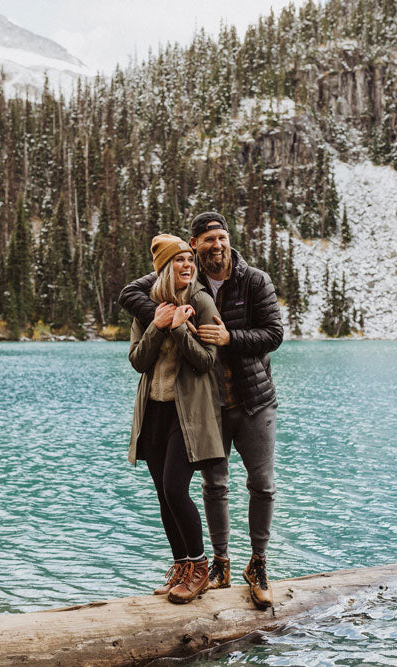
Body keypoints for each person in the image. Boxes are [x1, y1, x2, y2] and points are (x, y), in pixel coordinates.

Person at [119, 212, 283, 610]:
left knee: (261, 484)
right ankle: (217, 566)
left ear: (229, 240)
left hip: (251, 399)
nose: (216, 245)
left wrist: (229, 336)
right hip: (207, 407)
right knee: (213, 487)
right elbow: (129, 294)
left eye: (221, 237)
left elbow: (274, 334)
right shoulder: (177, 279)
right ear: (193, 245)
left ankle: (257, 563)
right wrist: (161, 319)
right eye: (207, 240)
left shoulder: (253, 280)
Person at [127, 233, 226, 605]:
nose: (188, 265)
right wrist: (158, 324)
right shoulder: (150, 305)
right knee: (162, 496)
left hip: (187, 416)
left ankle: (200, 568)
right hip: (154, 411)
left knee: (174, 488)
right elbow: (138, 360)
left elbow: (207, 361)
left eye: (190, 259)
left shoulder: (201, 300)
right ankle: (181, 566)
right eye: (180, 260)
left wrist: (181, 329)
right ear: (165, 268)